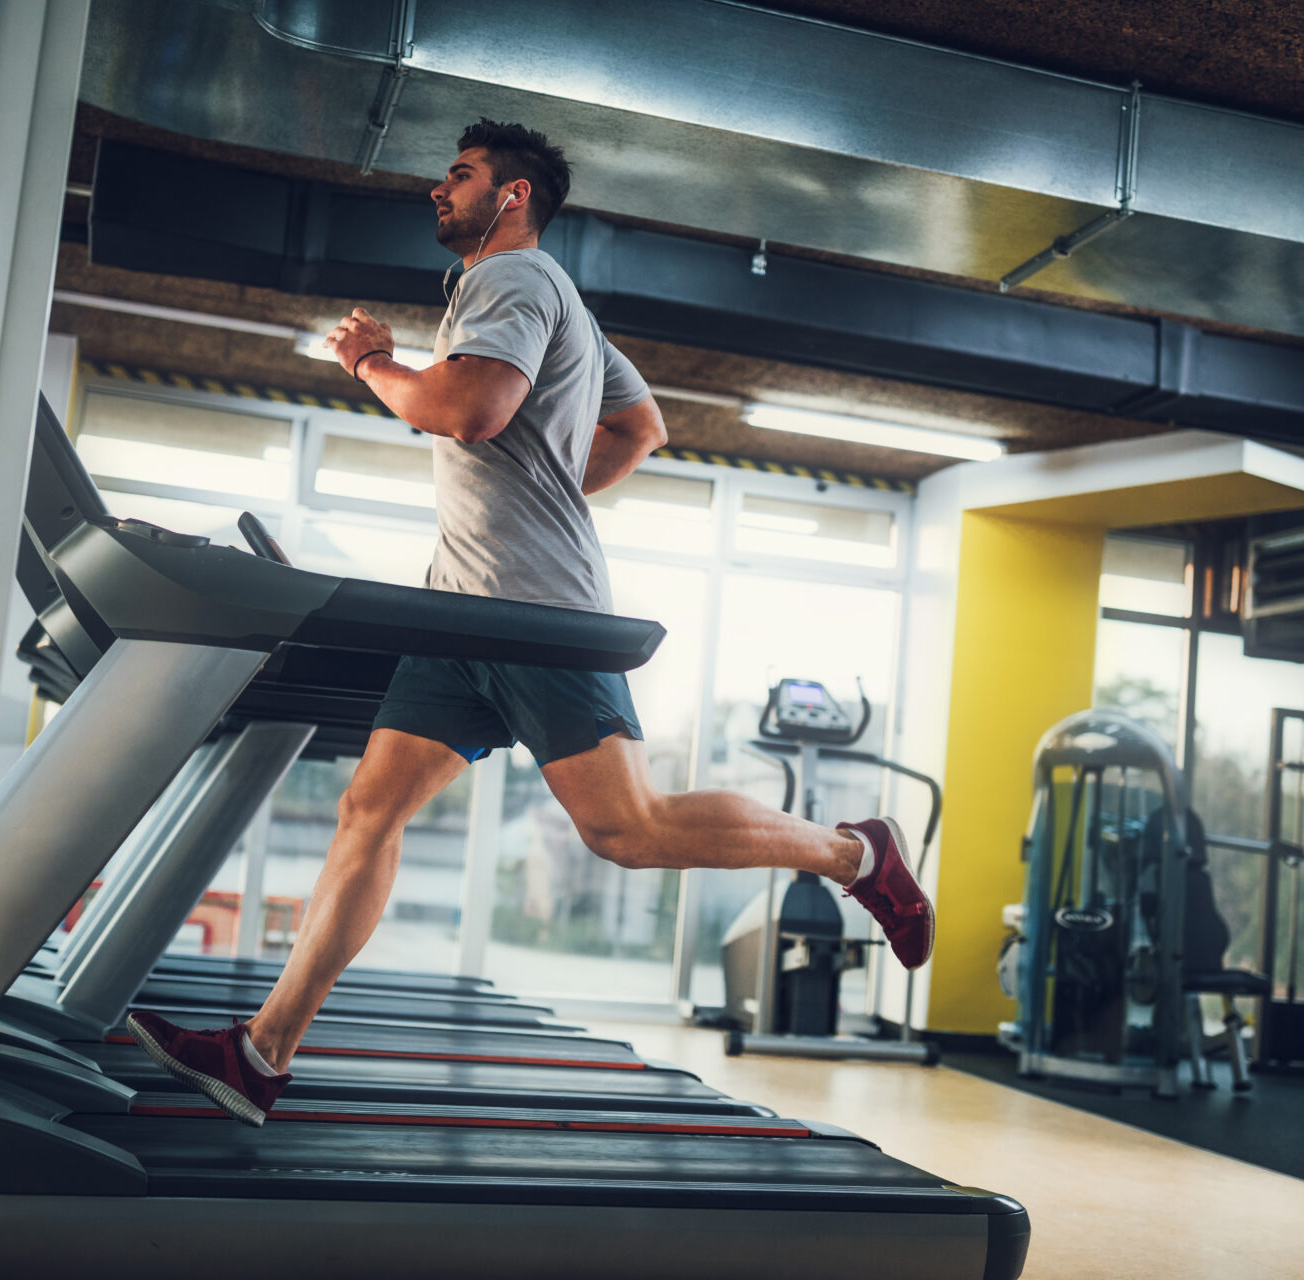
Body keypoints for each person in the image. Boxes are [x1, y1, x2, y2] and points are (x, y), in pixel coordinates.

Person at [128, 120, 934, 1125]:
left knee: (626, 832)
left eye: (458, 176)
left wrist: (372, 364)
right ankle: (261, 1052)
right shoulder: (562, 308)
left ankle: (857, 854)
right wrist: (555, 487)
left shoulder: (516, 281)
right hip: (460, 610)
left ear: (512, 197)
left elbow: (467, 410)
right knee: (368, 810)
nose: (439, 190)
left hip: (536, 614)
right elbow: (642, 426)